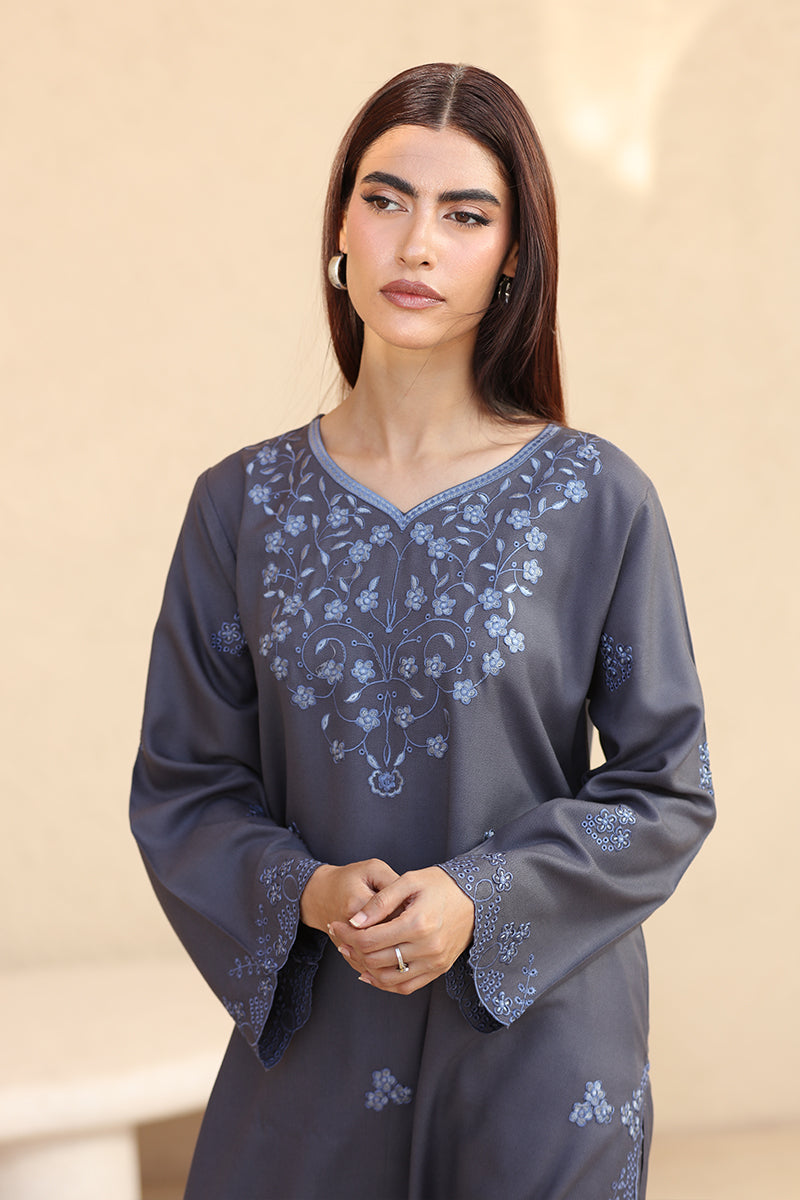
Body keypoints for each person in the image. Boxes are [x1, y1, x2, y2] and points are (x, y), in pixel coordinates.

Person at [130, 62, 715, 1200]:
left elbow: (665, 785)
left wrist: (480, 896)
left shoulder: (594, 499)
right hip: (316, 1046)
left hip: (538, 1061)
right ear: (337, 230)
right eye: (386, 199)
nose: (415, 244)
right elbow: (185, 786)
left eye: (464, 215)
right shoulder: (239, 508)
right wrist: (305, 892)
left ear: (511, 259)